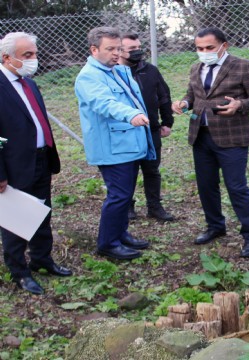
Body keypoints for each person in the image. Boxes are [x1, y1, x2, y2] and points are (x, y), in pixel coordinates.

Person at [172, 27, 249, 258]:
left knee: (236, 187)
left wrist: (240, 105)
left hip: (232, 137)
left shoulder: (244, 66)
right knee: (206, 186)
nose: (204, 52)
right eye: (199, 48)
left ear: (224, 46)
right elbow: (193, 96)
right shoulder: (196, 68)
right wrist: (184, 104)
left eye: (209, 48)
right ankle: (215, 227)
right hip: (201, 136)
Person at [74, 27, 156, 261]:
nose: (116, 53)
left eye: (118, 48)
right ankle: (108, 243)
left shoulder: (118, 71)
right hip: (112, 147)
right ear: (94, 49)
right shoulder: (89, 76)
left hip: (127, 143)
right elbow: (105, 103)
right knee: (119, 195)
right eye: (110, 49)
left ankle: (120, 234)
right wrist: (130, 115)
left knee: (125, 193)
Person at [0, 32, 72, 295]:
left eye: (34, 54)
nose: (33, 60)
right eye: (26, 55)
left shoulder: (28, 83)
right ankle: (19, 271)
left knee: (42, 211)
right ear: (7, 57)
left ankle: (42, 259)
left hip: (40, 158)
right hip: (13, 163)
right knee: (16, 218)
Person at [119, 32, 175, 222]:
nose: (137, 52)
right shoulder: (113, 74)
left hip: (151, 130)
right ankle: (127, 206)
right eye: (131, 49)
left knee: (152, 169)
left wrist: (167, 123)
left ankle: (155, 207)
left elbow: (164, 97)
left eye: (138, 47)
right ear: (119, 51)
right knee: (128, 171)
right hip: (126, 132)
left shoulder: (150, 71)